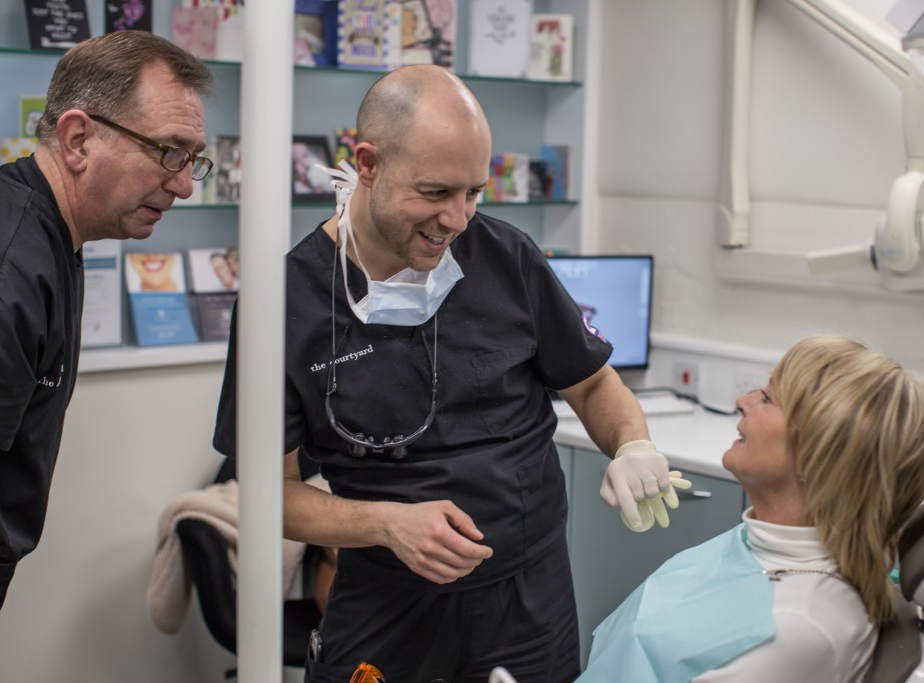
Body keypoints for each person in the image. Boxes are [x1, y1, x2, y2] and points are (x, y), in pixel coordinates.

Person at [214, 64, 679, 683]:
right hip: (387, 602)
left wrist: (632, 443)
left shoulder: (506, 257)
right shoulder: (286, 301)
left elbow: (592, 383)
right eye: (435, 193)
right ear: (368, 164)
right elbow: (269, 492)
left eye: (474, 193)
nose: (457, 219)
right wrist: (385, 524)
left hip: (527, 601)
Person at [0, 30, 212, 682]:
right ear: (77, 139)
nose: (183, 184)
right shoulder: (6, 262)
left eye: (193, 158)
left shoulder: (45, 235)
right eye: (167, 152)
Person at [577, 334, 924, 683]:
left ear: (820, 456)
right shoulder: (767, 540)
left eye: (768, 399)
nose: (742, 401)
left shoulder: (797, 627)